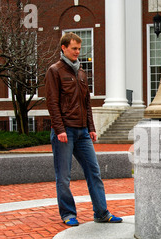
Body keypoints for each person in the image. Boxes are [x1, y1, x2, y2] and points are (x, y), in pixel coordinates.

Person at [45, 32, 122, 226]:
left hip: (82, 132)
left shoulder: (81, 72)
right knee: (63, 176)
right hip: (65, 132)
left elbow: (86, 103)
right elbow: (52, 103)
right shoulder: (55, 71)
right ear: (64, 48)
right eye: (74, 48)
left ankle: (101, 213)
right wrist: (60, 129)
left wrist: (91, 127)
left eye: (79, 49)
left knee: (94, 172)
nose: (77, 52)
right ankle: (68, 214)